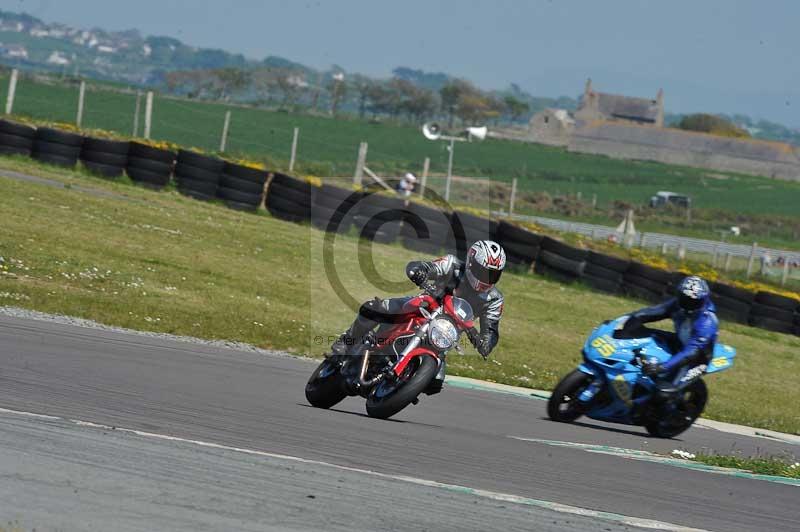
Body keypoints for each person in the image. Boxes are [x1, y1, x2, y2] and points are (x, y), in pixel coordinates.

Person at [330, 240, 506, 392]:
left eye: (493, 274)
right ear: (471, 264)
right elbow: (427, 267)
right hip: (422, 306)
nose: (488, 278)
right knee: (374, 308)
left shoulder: (494, 299)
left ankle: (399, 384)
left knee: (435, 383)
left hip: (444, 332)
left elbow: (491, 330)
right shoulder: (452, 265)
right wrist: (420, 270)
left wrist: (486, 342)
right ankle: (346, 342)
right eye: (484, 272)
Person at [622, 275, 718, 398]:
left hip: (696, 358)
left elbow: (691, 352)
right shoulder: (678, 305)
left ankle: (665, 406)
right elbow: (652, 312)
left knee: (663, 392)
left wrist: (662, 368)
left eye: (694, 302)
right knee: (639, 336)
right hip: (677, 342)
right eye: (685, 300)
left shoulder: (707, 322)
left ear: (704, 300)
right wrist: (628, 319)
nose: (689, 305)